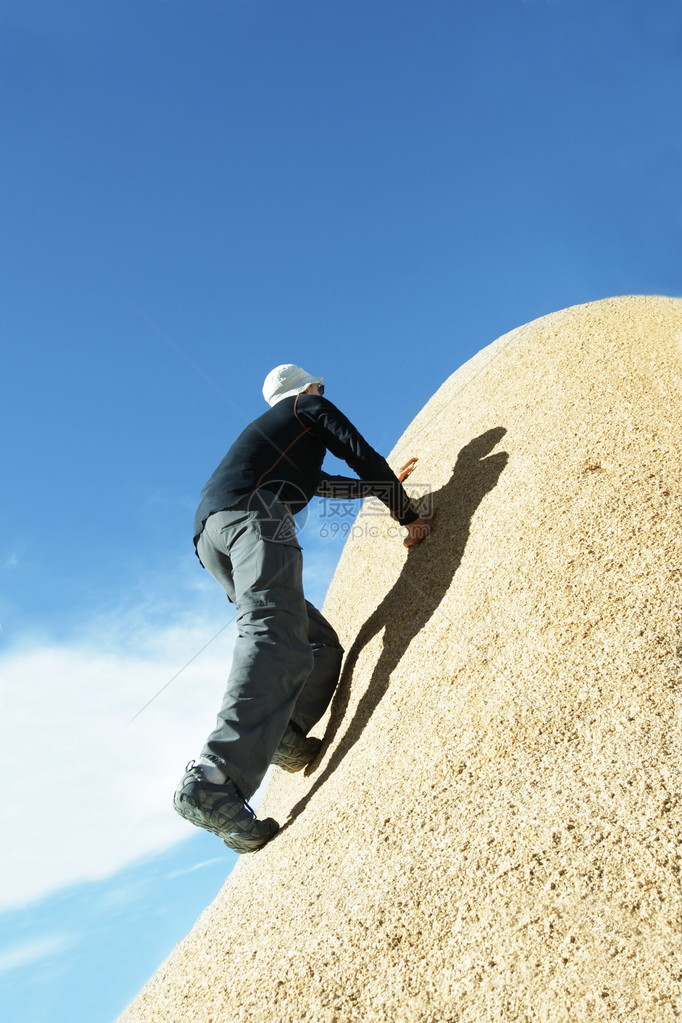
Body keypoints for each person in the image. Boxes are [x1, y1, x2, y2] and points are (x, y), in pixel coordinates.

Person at [173, 364, 434, 853]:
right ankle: (213, 777)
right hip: (252, 515)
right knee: (272, 631)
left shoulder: (276, 442)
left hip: (210, 536)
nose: (324, 393)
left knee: (316, 641)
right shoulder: (308, 407)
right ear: (309, 389)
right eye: (322, 388)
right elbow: (360, 455)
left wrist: (378, 485)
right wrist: (407, 513)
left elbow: (325, 484)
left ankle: (286, 736)